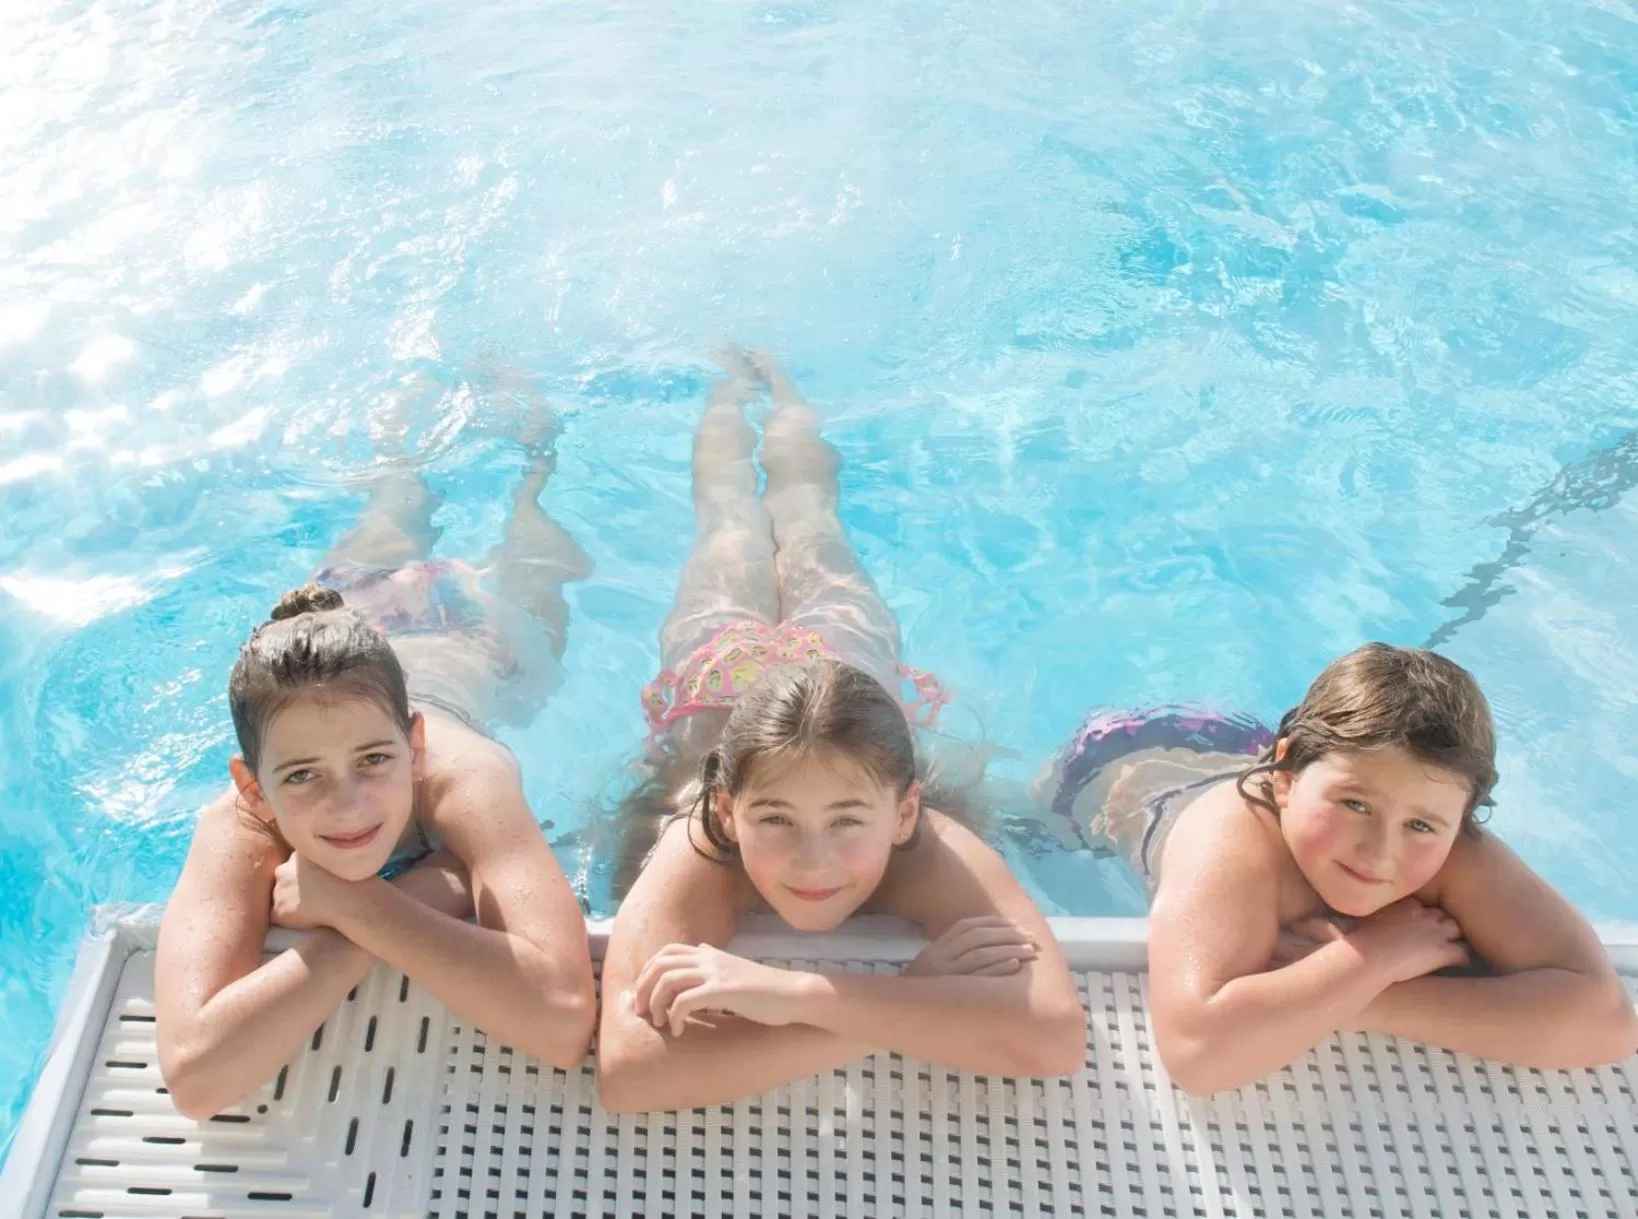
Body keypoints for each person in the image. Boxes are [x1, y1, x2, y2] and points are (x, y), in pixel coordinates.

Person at [596, 350, 1085, 1114]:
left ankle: (785, 385)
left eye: (849, 820)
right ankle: (727, 391)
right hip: (718, 677)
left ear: (906, 812)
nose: (812, 858)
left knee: (809, 520)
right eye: (776, 819)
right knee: (728, 523)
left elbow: (1055, 1038)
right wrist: (904, 1001)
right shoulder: (700, 843)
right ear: (727, 811)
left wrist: (786, 992)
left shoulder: (933, 849)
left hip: (839, 664)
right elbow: (629, 1073)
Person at [156, 374, 597, 1118]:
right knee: (392, 506)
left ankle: (535, 453)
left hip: (484, 639)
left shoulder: (468, 778)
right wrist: (383, 909)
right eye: (301, 776)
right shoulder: (238, 823)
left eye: (375, 760)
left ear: (416, 744)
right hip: (349, 623)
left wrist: (354, 906)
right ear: (254, 785)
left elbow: (561, 1020)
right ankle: (402, 450)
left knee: (533, 540)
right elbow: (196, 1079)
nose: (349, 801)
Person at [1035, 643, 1638, 1095]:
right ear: (1285, 779)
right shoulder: (1227, 843)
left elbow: (1607, 1023)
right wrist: (1372, 957)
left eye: (1423, 826)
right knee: (1032, 841)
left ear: (1462, 818)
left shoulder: (1437, 824)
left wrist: (1370, 993)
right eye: (1355, 806)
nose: (1380, 852)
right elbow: (1199, 1054)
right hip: (1109, 766)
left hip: (1270, 745)